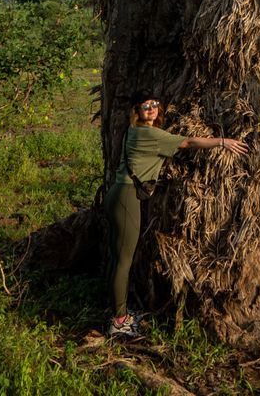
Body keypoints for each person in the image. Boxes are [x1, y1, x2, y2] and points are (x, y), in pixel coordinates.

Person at [105, 89, 249, 338]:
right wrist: (222, 142)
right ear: (136, 111)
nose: (150, 109)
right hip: (126, 197)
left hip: (119, 194)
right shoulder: (147, 133)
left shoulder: (138, 131)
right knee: (123, 261)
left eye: (154, 104)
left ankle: (121, 313)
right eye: (145, 106)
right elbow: (188, 142)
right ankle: (119, 321)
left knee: (119, 256)